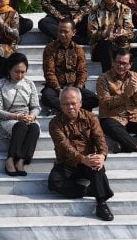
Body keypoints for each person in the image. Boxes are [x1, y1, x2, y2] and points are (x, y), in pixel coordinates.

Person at [47, 87, 114, 221]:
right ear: (61, 105)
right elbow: (64, 146)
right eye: (66, 104)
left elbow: (100, 139)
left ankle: (101, 203)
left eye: (73, 103)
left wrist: (102, 155)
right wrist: (82, 159)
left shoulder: (91, 118)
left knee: (97, 166)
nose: (70, 107)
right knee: (54, 182)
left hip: (89, 160)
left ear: (80, 103)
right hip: (67, 162)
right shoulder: (55, 123)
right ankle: (90, 190)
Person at [0, 53, 40, 176]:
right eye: (16, 71)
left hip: (26, 118)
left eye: (23, 72)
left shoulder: (29, 84)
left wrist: (32, 116)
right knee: (21, 126)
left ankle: (21, 161)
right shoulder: (0, 85)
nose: (19, 75)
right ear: (9, 69)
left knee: (34, 127)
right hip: (6, 120)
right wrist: (16, 117)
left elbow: (35, 107)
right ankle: (10, 159)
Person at [41, 18, 99, 113]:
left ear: (73, 32)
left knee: (94, 99)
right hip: (56, 87)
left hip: (74, 86)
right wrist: (59, 89)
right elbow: (49, 72)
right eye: (60, 31)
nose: (62, 34)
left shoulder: (78, 49)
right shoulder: (50, 48)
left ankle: (66, 109)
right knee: (47, 97)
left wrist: (77, 89)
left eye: (66, 32)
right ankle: (72, 109)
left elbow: (82, 71)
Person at [89, 0, 137, 73]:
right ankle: (108, 76)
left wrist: (122, 33)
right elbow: (91, 34)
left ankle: (128, 76)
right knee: (106, 44)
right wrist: (106, 34)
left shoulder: (125, 9)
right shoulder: (94, 10)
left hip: (121, 48)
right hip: (101, 49)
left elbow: (130, 32)